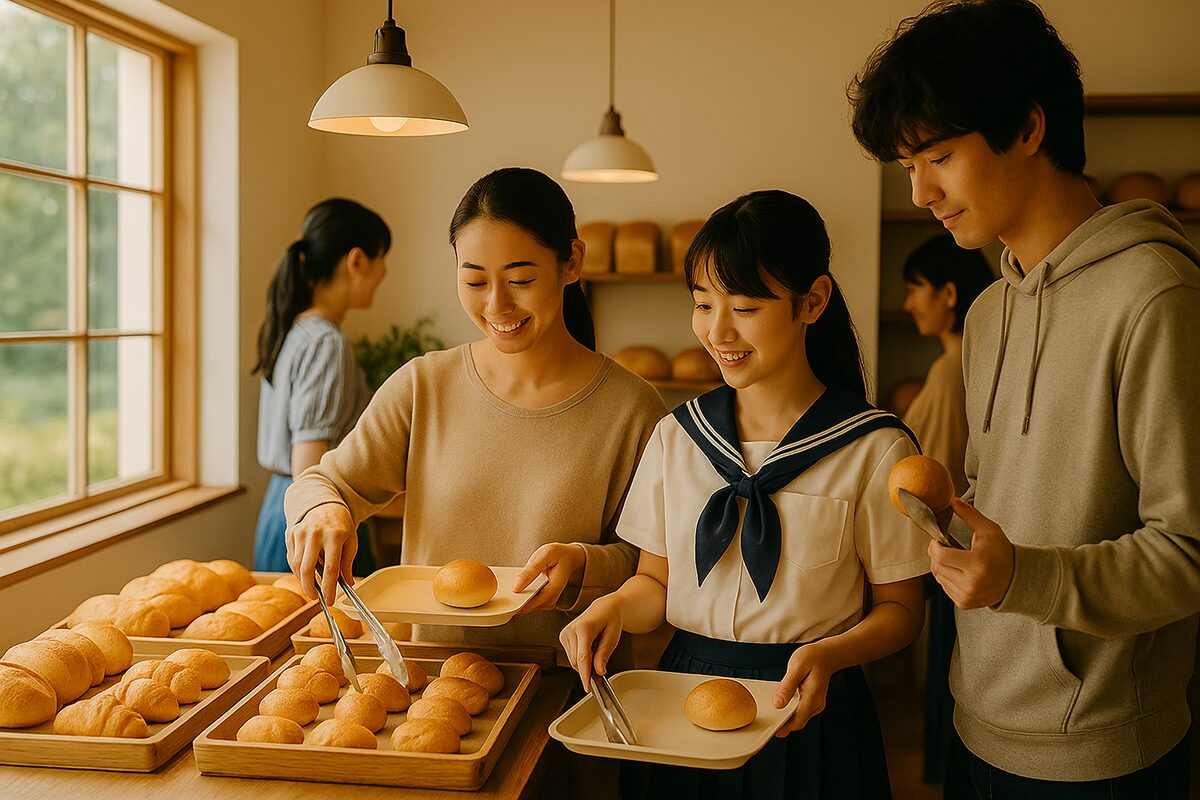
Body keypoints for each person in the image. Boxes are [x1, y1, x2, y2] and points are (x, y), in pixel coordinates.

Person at [849, 1, 1200, 796]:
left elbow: (1187, 551)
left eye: (936, 155)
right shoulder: (987, 310)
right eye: (906, 168)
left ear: (1030, 127)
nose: (920, 194)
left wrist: (1023, 581)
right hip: (975, 713)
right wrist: (947, 512)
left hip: (1103, 752)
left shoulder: (1155, 296)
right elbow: (1013, 508)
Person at [560, 190, 931, 800]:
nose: (717, 331)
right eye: (703, 305)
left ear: (812, 302)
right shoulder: (677, 437)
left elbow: (900, 612)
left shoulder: (875, 448)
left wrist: (832, 655)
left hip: (808, 703)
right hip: (682, 697)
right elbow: (655, 585)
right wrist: (612, 609)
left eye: (745, 307)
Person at [284, 167, 667, 658]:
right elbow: (322, 481)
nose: (497, 304)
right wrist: (323, 508)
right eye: (474, 280)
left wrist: (583, 563)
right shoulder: (424, 386)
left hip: (568, 690)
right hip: (432, 685)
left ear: (571, 262)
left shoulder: (633, 409)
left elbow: (648, 568)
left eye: (521, 279)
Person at [898, 234, 995, 784]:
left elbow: (924, 476)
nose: (909, 302)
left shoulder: (949, 368)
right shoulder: (969, 360)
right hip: (969, 545)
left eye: (916, 289)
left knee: (945, 675)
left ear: (949, 294)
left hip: (950, 546)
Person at [252, 198, 390, 577]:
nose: (385, 272)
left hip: (281, 510)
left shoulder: (296, 329)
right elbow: (308, 466)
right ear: (357, 261)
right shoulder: (326, 342)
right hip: (314, 518)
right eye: (383, 259)